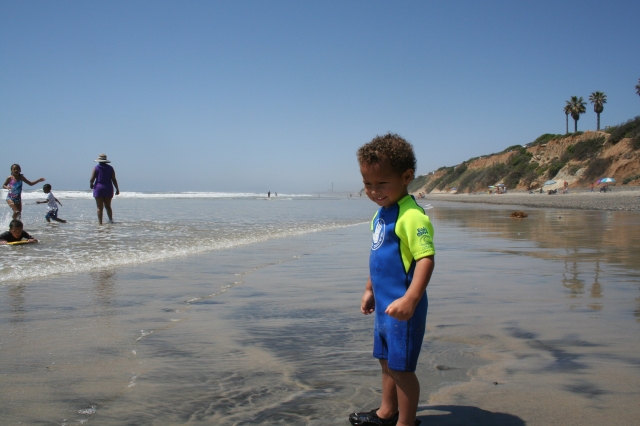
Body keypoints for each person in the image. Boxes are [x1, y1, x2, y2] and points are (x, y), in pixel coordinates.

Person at [350, 133, 435, 426]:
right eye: (367, 184)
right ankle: (387, 412)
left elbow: (425, 259)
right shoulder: (381, 215)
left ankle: (405, 423)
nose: (374, 191)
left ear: (406, 176)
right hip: (385, 307)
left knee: (402, 370)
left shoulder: (412, 216)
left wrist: (410, 299)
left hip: (403, 309)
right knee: (386, 363)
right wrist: (369, 289)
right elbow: (380, 258)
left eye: (381, 183)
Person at [89, 154, 120, 225]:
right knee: (108, 206)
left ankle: (100, 223)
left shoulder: (96, 168)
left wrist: (91, 184)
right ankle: (111, 220)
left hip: (98, 188)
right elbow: (114, 179)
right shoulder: (110, 168)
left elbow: (92, 179)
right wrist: (117, 189)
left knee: (99, 207)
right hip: (108, 188)